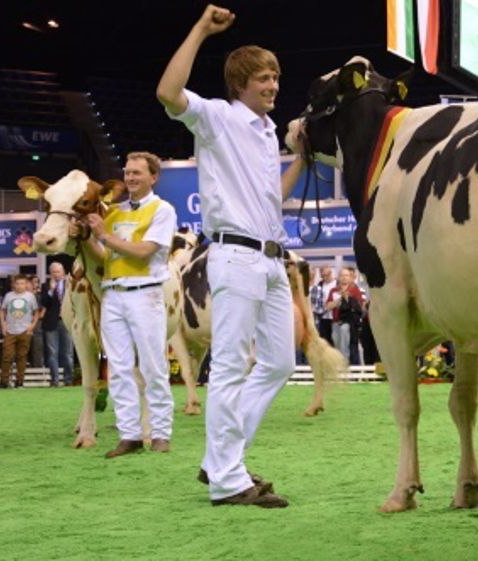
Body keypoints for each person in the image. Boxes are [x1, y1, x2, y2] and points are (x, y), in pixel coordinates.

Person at [158, 4, 306, 508]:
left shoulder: (266, 132)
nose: (274, 86)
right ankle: (226, 479)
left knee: (280, 363)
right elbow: (167, 93)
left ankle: (220, 459)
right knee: (228, 368)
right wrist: (199, 27)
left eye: (277, 78)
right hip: (235, 257)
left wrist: (302, 158)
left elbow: (270, 198)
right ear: (240, 84)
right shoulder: (217, 118)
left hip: (270, 259)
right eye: (265, 78)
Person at [77, 151, 178, 457]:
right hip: (113, 293)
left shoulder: (163, 210)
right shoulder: (115, 213)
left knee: (153, 365)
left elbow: (145, 250)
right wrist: (85, 237)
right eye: (128, 172)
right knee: (118, 368)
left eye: (137, 172)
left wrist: (103, 236)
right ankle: (130, 434)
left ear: (153, 177)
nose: (130, 178)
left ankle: (160, 433)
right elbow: (103, 256)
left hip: (145, 292)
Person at [0, 274, 40, 388]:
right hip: (10, 330)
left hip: (25, 330)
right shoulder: (8, 295)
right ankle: (4, 381)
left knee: (22, 357)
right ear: (13, 284)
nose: (19, 286)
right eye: (17, 283)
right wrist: (2, 324)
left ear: (26, 284)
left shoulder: (30, 296)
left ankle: (19, 381)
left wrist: (32, 326)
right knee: (7, 356)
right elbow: (2, 310)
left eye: (22, 283)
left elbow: (36, 312)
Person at [40, 262, 76, 386]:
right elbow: (44, 303)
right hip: (51, 323)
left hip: (67, 321)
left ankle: (68, 379)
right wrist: (51, 289)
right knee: (52, 353)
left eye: (58, 272)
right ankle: (54, 380)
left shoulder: (71, 284)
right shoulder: (45, 286)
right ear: (50, 273)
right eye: (53, 272)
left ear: (64, 272)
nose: (56, 274)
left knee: (67, 353)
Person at [326, 267, 364, 365]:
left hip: (349, 322)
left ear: (350, 277)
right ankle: (339, 364)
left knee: (345, 343)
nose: (344, 278)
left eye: (346, 275)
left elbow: (359, 307)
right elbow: (328, 306)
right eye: (342, 275)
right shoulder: (333, 290)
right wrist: (339, 299)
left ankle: (345, 364)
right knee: (336, 343)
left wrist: (347, 298)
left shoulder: (355, 290)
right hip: (335, 321)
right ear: (338, 277)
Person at [310, 265, 336, 345]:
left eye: (327, 275)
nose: (325, 277)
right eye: (323, 276)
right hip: (323, 318)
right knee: (325, 343)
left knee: (335, 342)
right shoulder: (319, 285)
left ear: (331, 273)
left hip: (335, 318)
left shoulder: (337, 283)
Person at [28, 275, 45, 368]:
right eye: (34, 281)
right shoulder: (25, 295)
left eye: (37, 282)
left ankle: (37, 365)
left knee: (37, 344)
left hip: (37, 322)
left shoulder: (40, 295)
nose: (36, 284)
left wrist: (38, 316)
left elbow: (43, 308)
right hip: (26, 322)